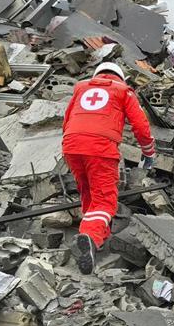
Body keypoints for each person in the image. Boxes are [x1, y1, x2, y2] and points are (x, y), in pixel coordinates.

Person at [62, 62, 155, 275]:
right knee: (105, 200)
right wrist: (149, 153)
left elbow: (66, 120)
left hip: (71, 144)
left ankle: (97, 238)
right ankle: (90, 237)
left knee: (88, 192)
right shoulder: (123, 91)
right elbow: (141, 126)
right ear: (120, 77)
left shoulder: (81, 86)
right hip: (101, 147)